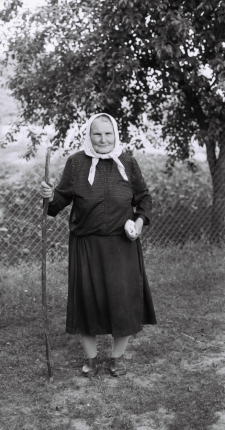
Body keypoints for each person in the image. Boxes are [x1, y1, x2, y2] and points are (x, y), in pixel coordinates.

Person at [40, 113, 156, 377]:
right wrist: (50, 196)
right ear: (88, 136)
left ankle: (117, 358)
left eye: (108, 134)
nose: (103, 139)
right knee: (87, 300)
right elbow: (59, 202)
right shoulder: (77, 163)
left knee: (122, 301)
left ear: (115, 134)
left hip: (122, 245)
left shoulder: (128, 163)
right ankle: (91, 359)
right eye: (97, 134)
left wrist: (138, 223)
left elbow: (144, 198)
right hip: (86, 245)